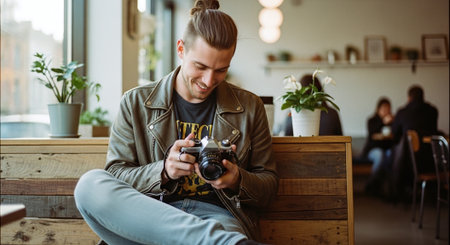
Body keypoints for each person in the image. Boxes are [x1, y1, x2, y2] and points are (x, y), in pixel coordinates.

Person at [73, 1, 278, 244]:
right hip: (151, 218)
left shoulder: (250, 107)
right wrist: (163, 171)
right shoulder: (135, 102)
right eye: (200, 67)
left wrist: (236, 180)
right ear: (181, 49)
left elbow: (268, 185)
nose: (209, 80)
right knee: (89, 185)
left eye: (221, 70)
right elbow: (116, 174)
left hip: (217, 218)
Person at [388, 85, 438, 202]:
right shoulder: (433, 111)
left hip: (408, 162)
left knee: (393, 151)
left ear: (409, 98)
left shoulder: (402, 112)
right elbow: (434, 131)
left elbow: (395, 133)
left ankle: (397, 191)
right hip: (430, 160)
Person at [360, 97, 394, 196]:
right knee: (380, 155)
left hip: (387, 149)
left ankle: (389, 188)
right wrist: (383, 122)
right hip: (372, 150)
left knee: (392, 154)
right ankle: (372, 184)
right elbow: (372, 133)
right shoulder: (372, 120)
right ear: (378, 109)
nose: (386, 111)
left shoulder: (393, 121)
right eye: (383, 108)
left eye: (388, 109)